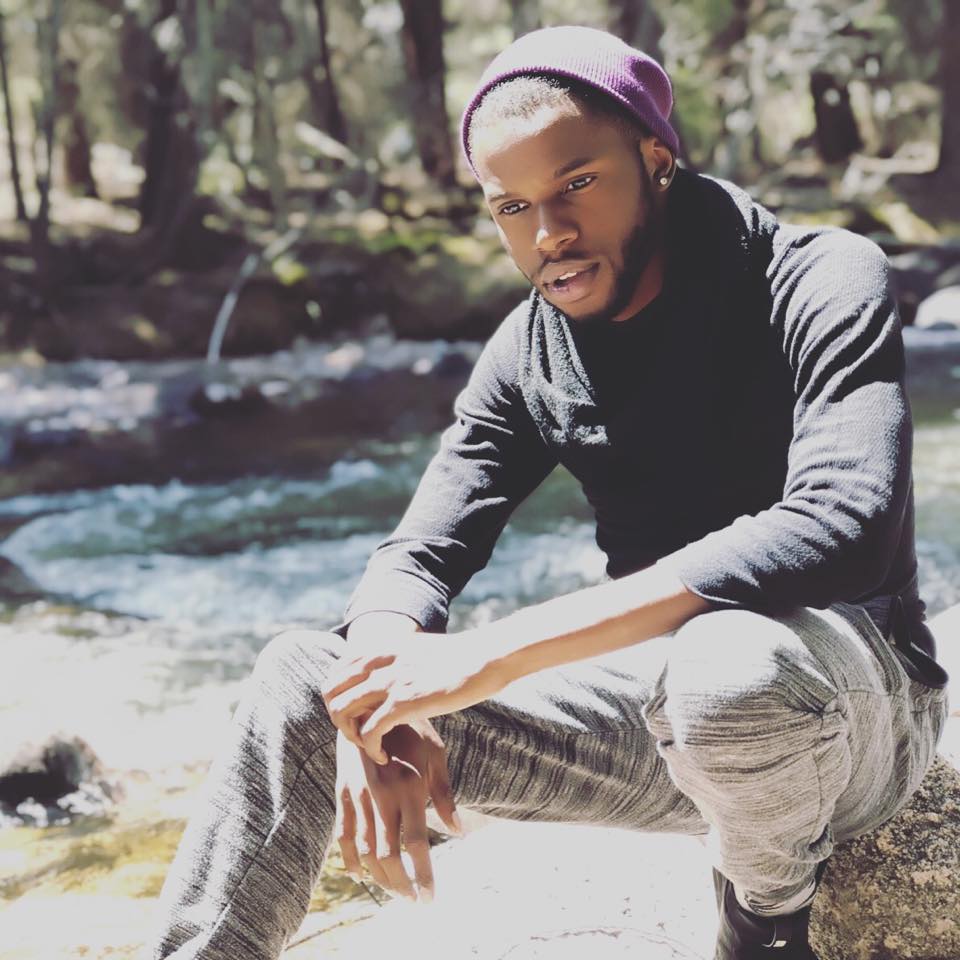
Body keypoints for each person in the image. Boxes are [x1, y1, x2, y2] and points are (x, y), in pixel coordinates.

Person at [149, 26, 950, 960]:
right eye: (513, 206)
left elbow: (841, 523)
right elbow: (420, 552)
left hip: (853, 708)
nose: (548, 235)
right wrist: (371, 703)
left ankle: (763, 919)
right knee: (307, 675)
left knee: (727, 662)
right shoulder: (530, 351)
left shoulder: (816, 277)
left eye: (578, 185)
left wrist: (490, 656)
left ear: (656, 160)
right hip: (654, 722)